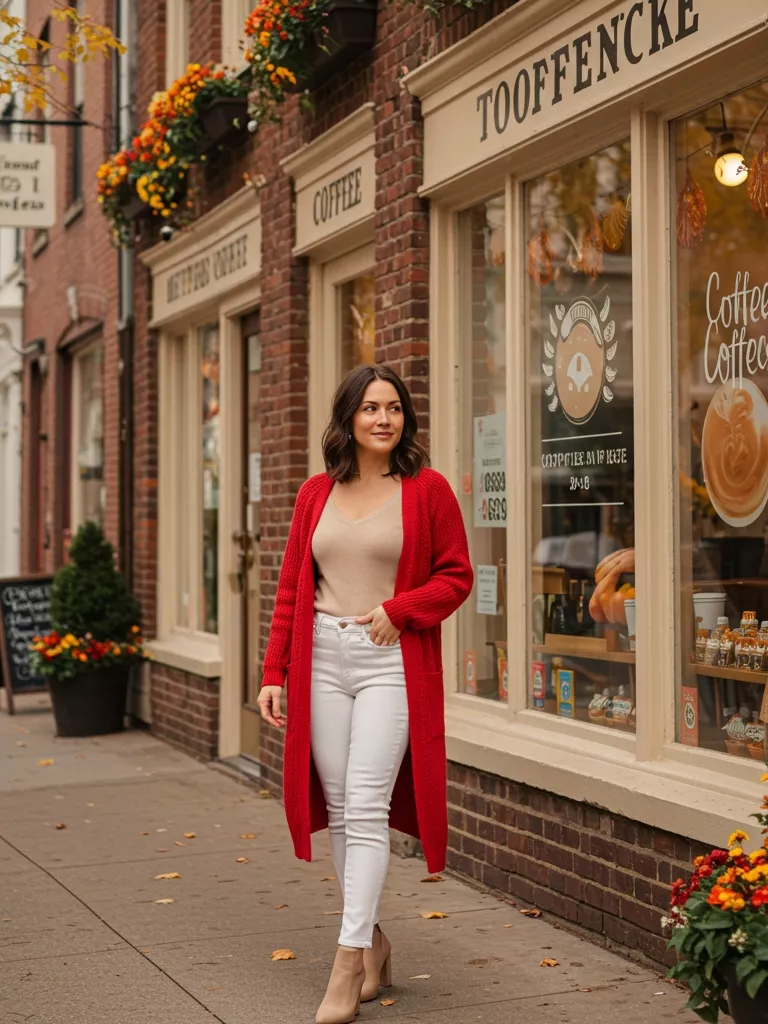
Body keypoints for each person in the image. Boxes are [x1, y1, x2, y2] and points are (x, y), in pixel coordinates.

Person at [257, 364, 473, 1024]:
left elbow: (457, 576)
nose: (385, 419)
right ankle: (373, 938)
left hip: (389, 662)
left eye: (395, 408)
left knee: (369, 803)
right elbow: (292, 588)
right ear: (348, 418)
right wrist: (273, 671)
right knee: (345, 809)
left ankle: (348, 960)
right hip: (321, 659)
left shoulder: (428, 490)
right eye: (372, 408)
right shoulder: (315, 493)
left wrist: (402, 609)